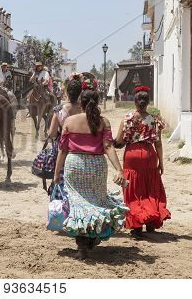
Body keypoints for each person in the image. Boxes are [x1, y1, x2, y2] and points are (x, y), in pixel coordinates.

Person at [53, 78, 128, 260]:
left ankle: (82, 247)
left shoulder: (69, 122)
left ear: (81, 102)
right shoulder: (103, 122)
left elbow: (62, 150)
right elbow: (109, 147)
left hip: (75, 164)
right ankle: (93, 237)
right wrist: (119, 169)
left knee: (78, 203)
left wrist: (56, 174)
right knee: (96, 201)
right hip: (97, 166)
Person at [114, 86, 170, 236]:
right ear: (147, 102)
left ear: (135, 101)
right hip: (149, 155)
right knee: (150, 189)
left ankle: (137, 225)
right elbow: (158, 143)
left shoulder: (127, 119)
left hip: (132, 155)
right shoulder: (154, 120)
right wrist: (161, 163)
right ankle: (151, 222)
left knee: (133, 191)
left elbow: (119, 141)